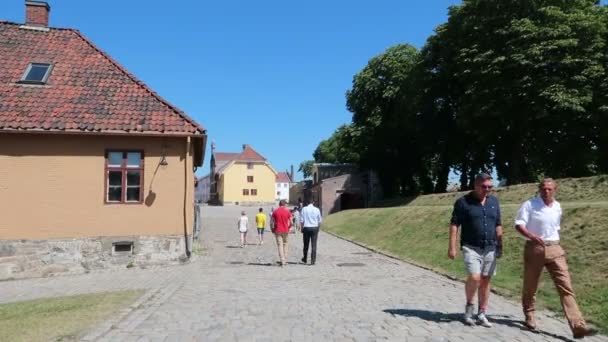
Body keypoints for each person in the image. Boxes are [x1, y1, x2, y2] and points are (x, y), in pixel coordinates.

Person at [514, 178, 597, 339]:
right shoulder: (530, 205)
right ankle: (529, 315)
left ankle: (578, 326)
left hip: (555, 248)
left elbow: (555, 227)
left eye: (550, 189)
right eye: (544, 189)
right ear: (539, 189)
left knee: (566, 286)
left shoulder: (558, 206)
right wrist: (531, 235)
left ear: (555, 190)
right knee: (531, 285)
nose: (546, 191)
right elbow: (519, 224)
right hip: (534, 247)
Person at [449, 173, 503, 327]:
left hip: (490, 247)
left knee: (486, 280)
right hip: (471, 246)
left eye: (490, 187)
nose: (487, 189)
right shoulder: (463, 202)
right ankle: (468, 309)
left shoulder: (494, 201)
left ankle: (482, 313)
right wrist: (452, 247)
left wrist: (500, 245)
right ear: (475, 185)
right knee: (475, 277)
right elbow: (454, 225)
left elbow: (498, 224)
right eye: (484, 186)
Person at [300, 200, 322, 265]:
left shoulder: (304, 209)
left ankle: (305, 258)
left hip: (306, 227)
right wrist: (318, 228)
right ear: (313, 202)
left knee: (306, 244)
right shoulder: (317, 209)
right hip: (315, 227)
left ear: (307, 203)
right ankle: (313, 260)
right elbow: (319, 220)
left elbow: (302, 220)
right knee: (314, 245)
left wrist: (301, 228)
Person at [271, 200, 292, 266]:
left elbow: (271, 222)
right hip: (286, 230)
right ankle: (285, 260)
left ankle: (282, 261)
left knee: (280, 245)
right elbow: (291, 222)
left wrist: (272, 229)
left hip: (277, 230)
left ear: (279, 204)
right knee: (285, 244)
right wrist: (289, 227)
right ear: (284, 204)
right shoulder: (287, 211)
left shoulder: (275, 212)